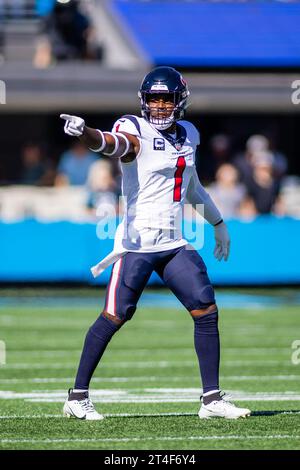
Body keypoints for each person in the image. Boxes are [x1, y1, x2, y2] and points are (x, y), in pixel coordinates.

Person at [60, 66, 251, 420]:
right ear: (143, 101)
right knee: (114, 315)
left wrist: (218, 223)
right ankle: (77, 396)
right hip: (137, 244)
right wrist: (85, 132)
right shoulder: (134, 129)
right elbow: (112, 144)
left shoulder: (189, 134)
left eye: (167, 99)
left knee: (205, 309)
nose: (160, 106)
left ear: (181, 101)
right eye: (154, 99)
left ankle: (211, 400)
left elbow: (191, 187)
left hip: (173, 242)